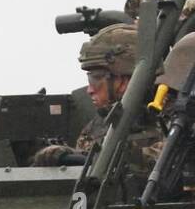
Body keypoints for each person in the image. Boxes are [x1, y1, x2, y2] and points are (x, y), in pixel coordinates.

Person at [31, 24, 156, 169]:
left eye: (95, 79)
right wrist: (64, 155)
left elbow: (157, 160)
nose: (89, 90)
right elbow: (84, 186)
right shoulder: (99, 125)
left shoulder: (168, 119)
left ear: (123, 81)